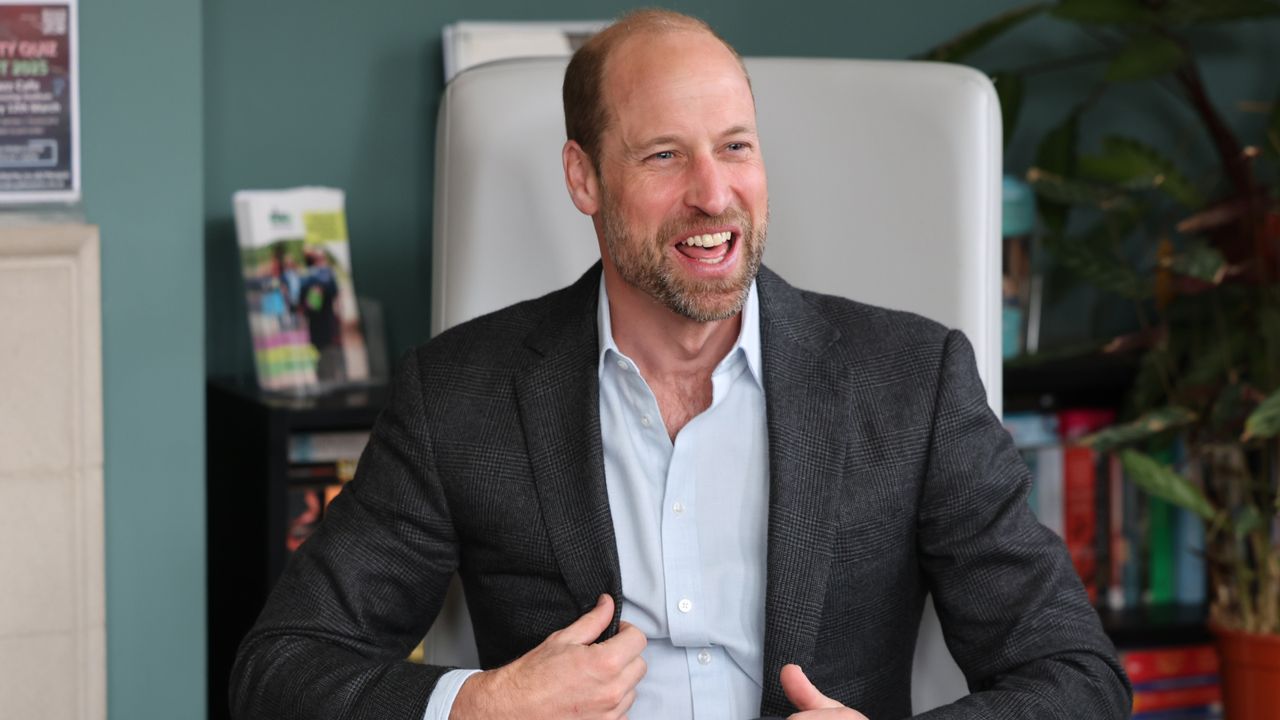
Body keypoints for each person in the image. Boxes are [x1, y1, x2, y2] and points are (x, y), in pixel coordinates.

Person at [230, 9, 1130, 720]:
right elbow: (282, 668)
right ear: (584, 179)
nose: (713, 192)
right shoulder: (458, 395)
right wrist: (482, 703)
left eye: (735, 146)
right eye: (664, 155)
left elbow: (1076, 677)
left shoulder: (911, 381)